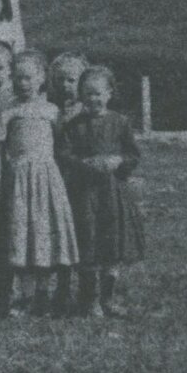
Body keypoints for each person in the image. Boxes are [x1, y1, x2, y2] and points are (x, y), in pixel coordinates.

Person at [0, 51, 79, 316]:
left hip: (46, 179)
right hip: (18, 180)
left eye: (28, 78)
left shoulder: (51, 112)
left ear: (42, 78)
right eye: (17, 78)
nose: (23, 84)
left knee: (43, 233)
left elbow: (63, 147)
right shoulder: (8, 112)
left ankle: (44, 293)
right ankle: (23, 296)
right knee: (22, 235)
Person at [60, 64, 144, 318]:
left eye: (98, 94)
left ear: (109, 94)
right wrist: (83, 164)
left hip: (113, 193)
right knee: (88, 242)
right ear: (80, 96)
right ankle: (89, 299)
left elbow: (133, 155)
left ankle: (108, 298)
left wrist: (118, 162)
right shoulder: (74, 125)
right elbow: (64, 155)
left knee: (112, 245)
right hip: (85, 195)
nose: (93, 99)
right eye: (87, 94)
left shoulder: (120, 122)